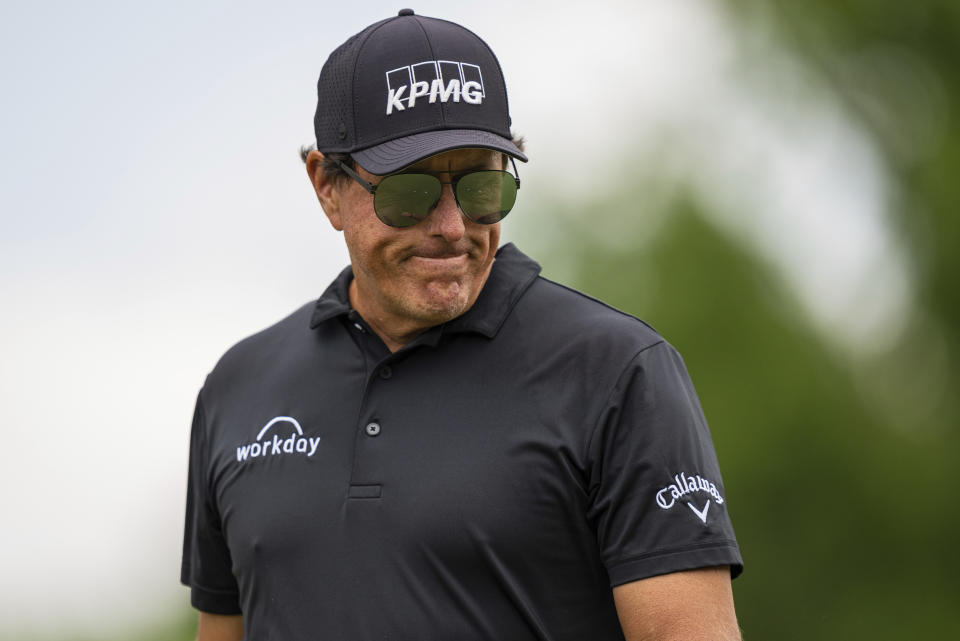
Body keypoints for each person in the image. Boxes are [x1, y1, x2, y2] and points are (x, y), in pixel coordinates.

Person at [181, 9, 743, 641]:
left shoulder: (618, 371)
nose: (451, 226)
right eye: (408, 190)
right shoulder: (239, 388)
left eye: (481, 187)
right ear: (326, 186)